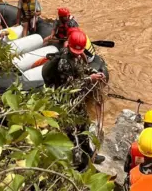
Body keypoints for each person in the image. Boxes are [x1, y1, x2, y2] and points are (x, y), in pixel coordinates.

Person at [41, 29, 106, 167]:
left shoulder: (77, 56)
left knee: (84, 124)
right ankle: (78, 164)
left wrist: (95, 72)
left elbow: (82, 70)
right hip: (65, 101)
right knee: (71, 132)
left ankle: (88, 154)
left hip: (77, 99)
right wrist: (90, 79)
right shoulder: (63, 62)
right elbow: (71, 85)